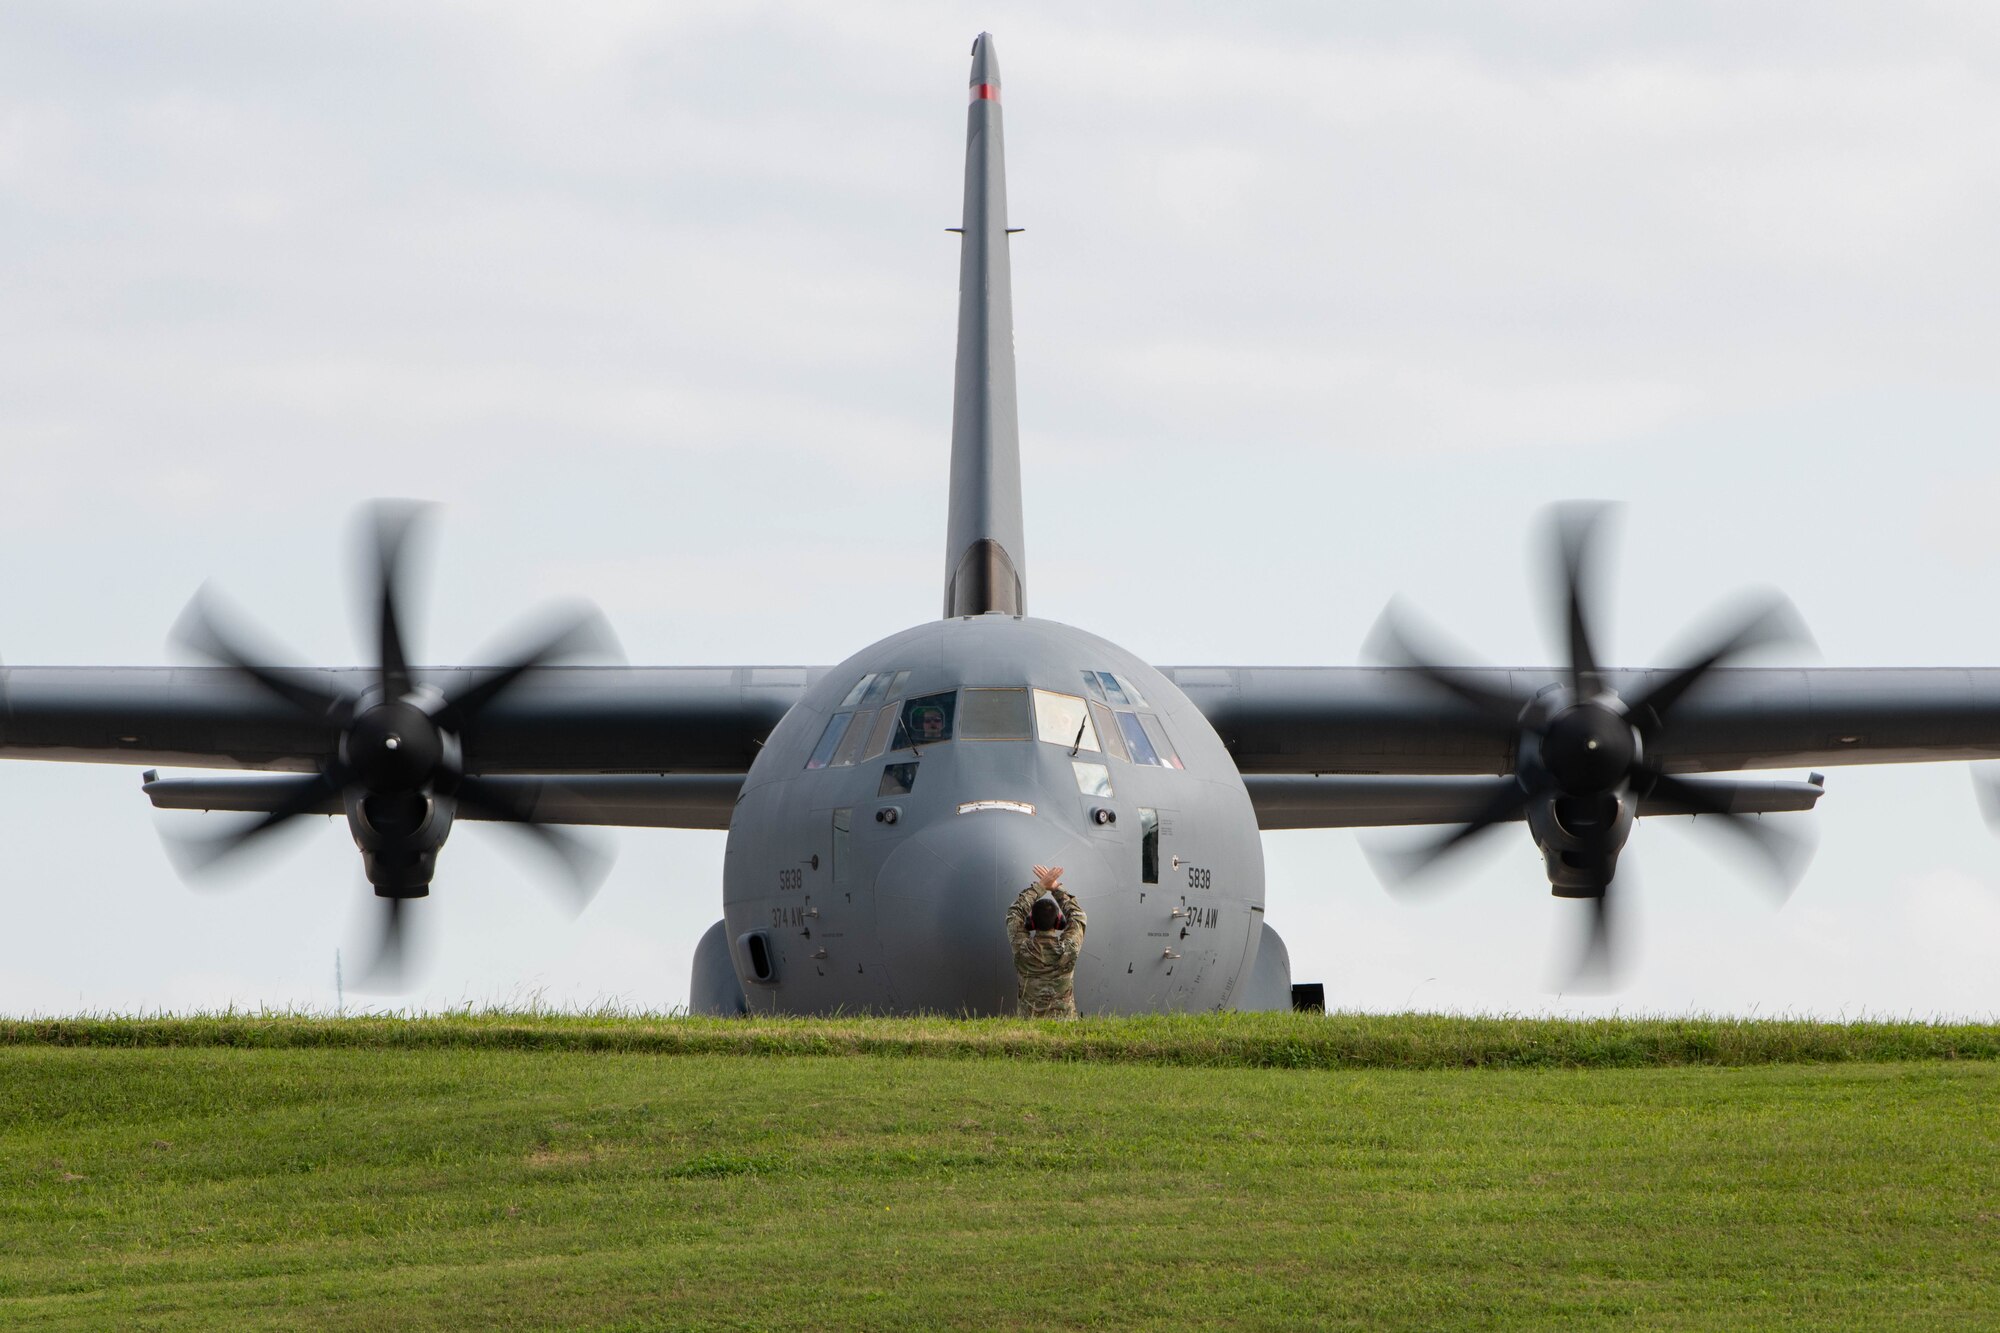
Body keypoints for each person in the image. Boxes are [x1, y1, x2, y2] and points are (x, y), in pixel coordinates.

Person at [1006, 864, 1086, 1019]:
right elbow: (1077, 915)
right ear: (1058, 923)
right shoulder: (1068, 949)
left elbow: (1014, 913)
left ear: (1032, 923)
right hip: (1066, 1029)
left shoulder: (1023, 949)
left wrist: (1040, 886)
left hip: (1028, 1029)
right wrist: (1056, 888)